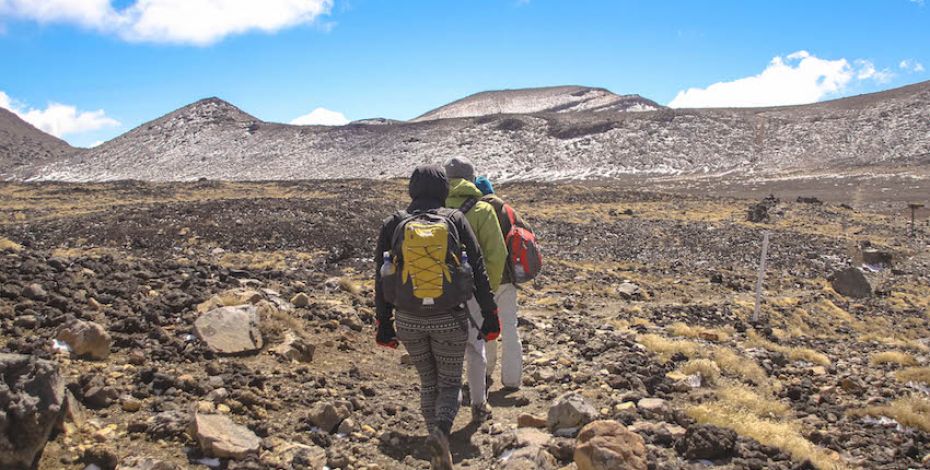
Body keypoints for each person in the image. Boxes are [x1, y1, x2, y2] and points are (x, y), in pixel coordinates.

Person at [374, 164, 500, 470]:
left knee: (428, 381)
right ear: (444, 190)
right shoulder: (455, 219)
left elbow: (380, 278)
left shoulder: (393, 223)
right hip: (450, 317)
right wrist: (489, 315)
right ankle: (441, 433)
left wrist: (384, 325)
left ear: (411, 190)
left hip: (408, 318)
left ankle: (435, 444)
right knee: (450, 382)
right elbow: (479, 271)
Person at [442, 157, 507, 423]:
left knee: (445, 348)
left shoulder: (436, 206)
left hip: (439, 291)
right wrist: (486, 291)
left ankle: (447, 404)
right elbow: (496, 254)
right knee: (475, 347)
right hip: (473, 292)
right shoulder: (483, 210)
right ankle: (479, 403)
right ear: (471, 178)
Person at [473, 175, 524, 391]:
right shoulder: (506, 209)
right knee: (510, 327)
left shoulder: (474, 211)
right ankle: (512, 379)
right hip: (507, 279)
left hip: (483, 280)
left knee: (485, 324)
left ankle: (485, 370)